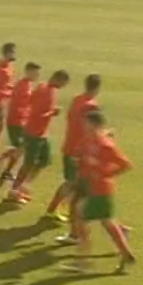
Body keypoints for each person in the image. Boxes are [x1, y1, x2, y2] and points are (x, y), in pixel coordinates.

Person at [64, 110, 135, 273]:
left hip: (101, 190)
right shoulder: (90, 139)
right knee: (106, 221)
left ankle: (83, 260)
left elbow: (125, 164)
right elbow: (80, 154)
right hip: (93, 188)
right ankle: (126, 254)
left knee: (80, 218)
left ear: (94, 124)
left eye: (86, 123)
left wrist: (104, 173)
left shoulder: (105, 145)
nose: (83, 125)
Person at [5, 69, 70, 203]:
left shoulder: (43, 86)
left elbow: (31, 102)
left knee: (45, 159)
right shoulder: (47, 92)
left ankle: (23, 185)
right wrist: (53, 112)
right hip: (34, 133)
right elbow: (39, 114)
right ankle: (14, 190)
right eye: (63, 83)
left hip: (41, 133)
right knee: (28, 163)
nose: (63, 86)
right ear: (59, 79)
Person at [45, 74, 101, 225]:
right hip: (79, 151)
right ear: (97, 88)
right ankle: (64, 213)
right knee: (74, 184)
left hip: (69, 145)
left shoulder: (77, 99)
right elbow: (92, 129)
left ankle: (56, 209)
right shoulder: (91, 106)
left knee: (72, 182)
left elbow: (71, 119)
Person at [0, 62, 40, 181]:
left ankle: (3, 164)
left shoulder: (26, 84)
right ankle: (1, 163)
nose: (37, 75)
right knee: (20, 148)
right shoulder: (23, 86)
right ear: (28, 72)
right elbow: (19, 105)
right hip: (17, 122)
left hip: (20, 121)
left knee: (20, 147)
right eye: (35, 73)